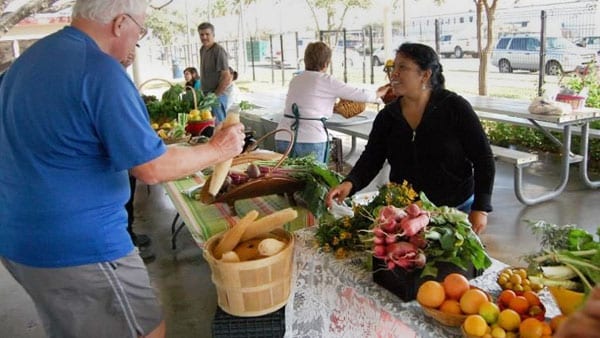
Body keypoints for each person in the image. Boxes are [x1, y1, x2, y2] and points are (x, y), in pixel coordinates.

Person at [0, 1, 245, 337]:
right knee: (146, 331)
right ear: (119, 23)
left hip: (19, 241)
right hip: (80, 246)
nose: (136, 41)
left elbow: (123, 152)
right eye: (140, 31)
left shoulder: (29, 61)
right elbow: (151, 169)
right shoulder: (98, 70)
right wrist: (219, 148)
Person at [326, 43, 495, 234]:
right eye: (393, 67)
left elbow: (484, 159)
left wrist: (481, 207)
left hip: (454, 210)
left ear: (425, 75)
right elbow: (372, 158)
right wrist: (350, 183)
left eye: (402, 67)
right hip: (405, 214)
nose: (394, 74)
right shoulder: (388, 116)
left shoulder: (455, 108)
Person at [274, 41, 389, 164]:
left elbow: (306, 103)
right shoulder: (327, 81)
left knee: (286, 180)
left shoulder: (295, 80)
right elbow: (360, 95)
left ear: (305, 60)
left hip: (284, 136)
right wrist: (380, 93)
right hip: (311, 138)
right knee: (313, 181)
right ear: (326, 63)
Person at [198, 22, 232, 123]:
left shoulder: (218, 51)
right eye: (201, 34)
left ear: (213, 35)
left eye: (207, 34)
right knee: (210, 126)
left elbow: (226, 76)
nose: (204, 37)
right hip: (206, 95)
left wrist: (215, 96)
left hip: (217, 96)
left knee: (219, 126)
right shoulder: (202, 49)